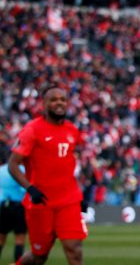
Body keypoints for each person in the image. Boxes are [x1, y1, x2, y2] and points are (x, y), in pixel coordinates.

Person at [8, 85, 87, 265]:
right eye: (53, 100)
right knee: (39, 256)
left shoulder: (72, 131)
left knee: (74, 249)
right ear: (44, 104)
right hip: (41, 202)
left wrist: (78, 196)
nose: (59, 103)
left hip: (68, 202)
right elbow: (13, 164)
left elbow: (67, 166)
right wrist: (30, 188)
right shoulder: (32, 130)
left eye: (63, 100)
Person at [0, 152, 27, 262]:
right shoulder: (22, 170)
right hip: (19, 206)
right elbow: (25, 189)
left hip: (4, 206)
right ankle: (17, 262)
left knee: (1, 238)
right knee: (19, 238)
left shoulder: (1, 170)